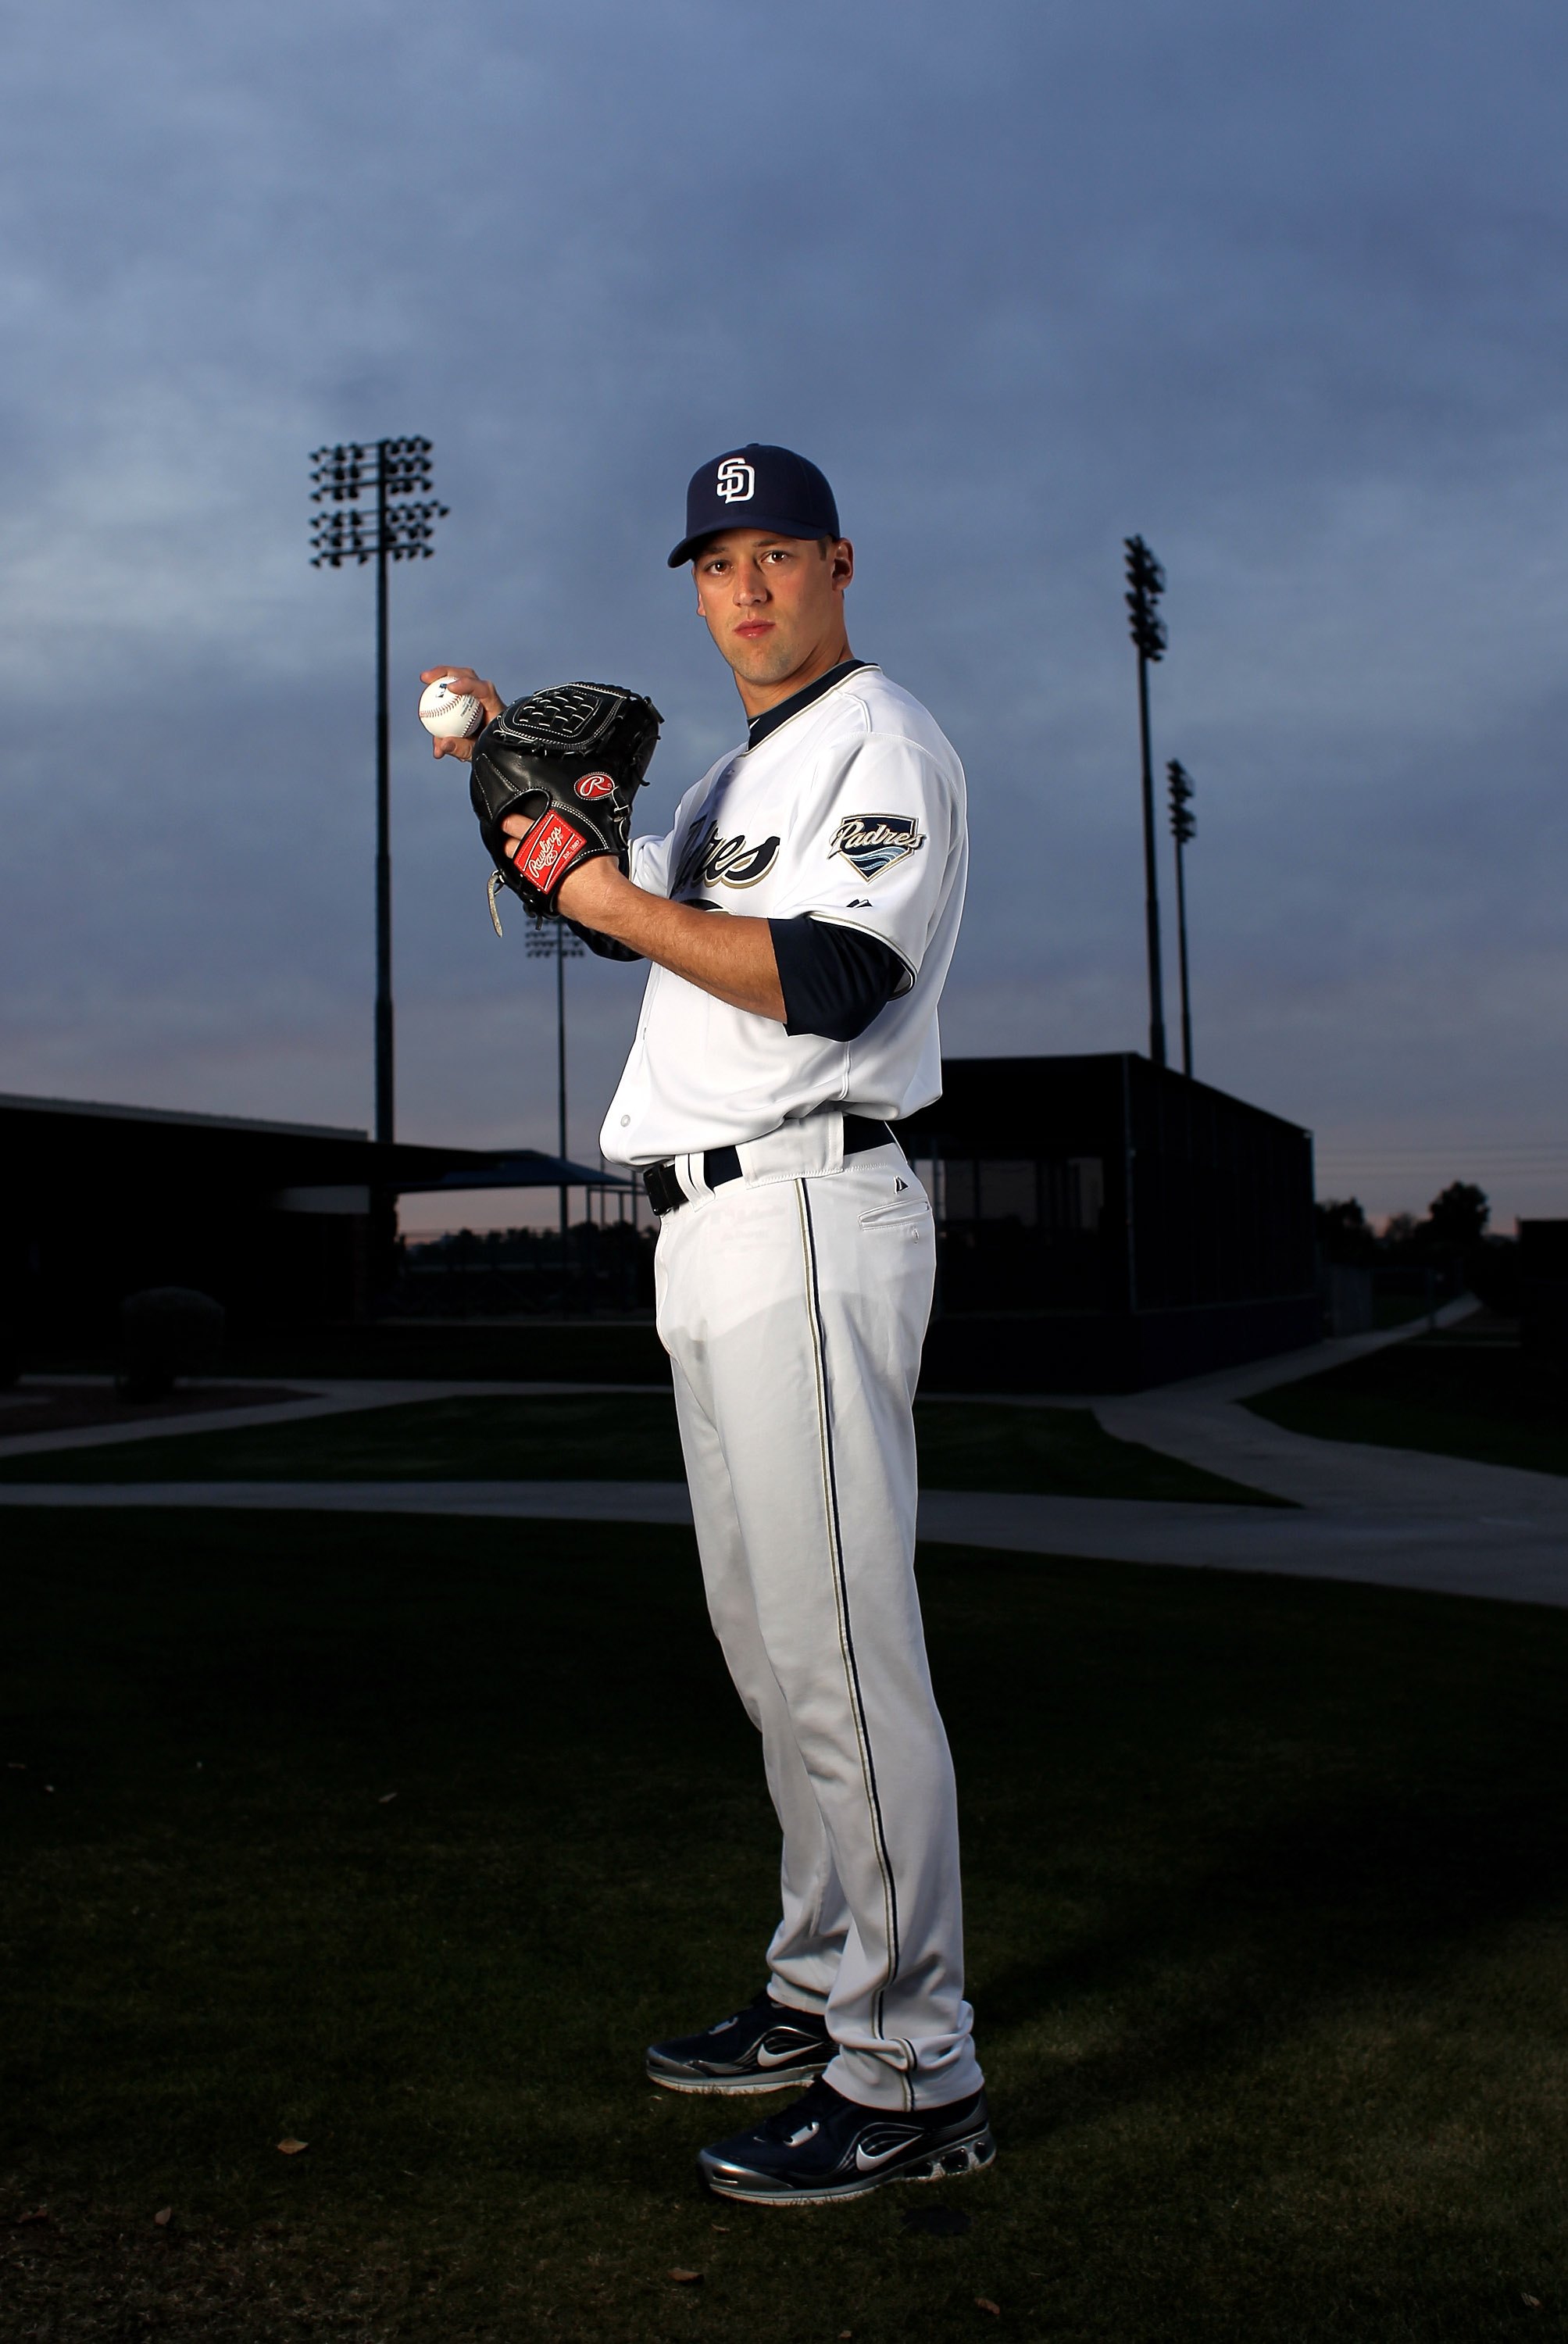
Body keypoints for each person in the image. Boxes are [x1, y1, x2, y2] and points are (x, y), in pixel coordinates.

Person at [421, 443, 989, 2206]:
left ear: (836, 561)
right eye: (712, 560)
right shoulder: (747, 770)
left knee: (837, 1651)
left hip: (812, 1204)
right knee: (768, 1657)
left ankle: (911, 2076)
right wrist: (540, 817)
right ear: (692, 586)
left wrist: (595, 886)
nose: (742, 588)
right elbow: (610, 924)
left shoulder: (878, 744)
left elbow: (833, 978)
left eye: (774, 553)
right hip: (713, 1225)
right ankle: (823, 1991)